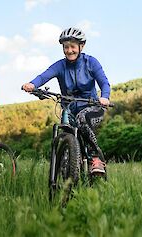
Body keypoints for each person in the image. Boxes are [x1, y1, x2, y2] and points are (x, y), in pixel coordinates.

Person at [22, 27, 111, 174]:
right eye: (66, 47)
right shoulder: (60, 65)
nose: (69, 50)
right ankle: (68, 159)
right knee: (63, 124)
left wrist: (104, 97)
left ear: (81, 47)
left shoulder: (91, 62)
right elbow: (44, 76)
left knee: (82, 119)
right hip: (69, 108)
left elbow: (104, 83)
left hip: (92, 107)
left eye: (73, 46)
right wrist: (32, 84)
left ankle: (95, 158)